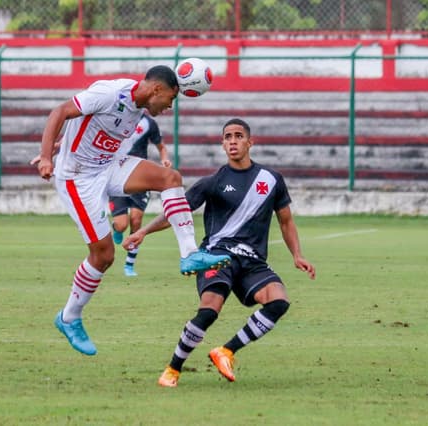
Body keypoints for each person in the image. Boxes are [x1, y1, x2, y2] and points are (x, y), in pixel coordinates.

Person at [35, 65, 231, 356]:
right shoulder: (109, 93)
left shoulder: (140, 106)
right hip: (78, 176)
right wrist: (46, 157)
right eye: (171, 99)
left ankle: (189, 254)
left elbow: (91, 127)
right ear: (157, 90)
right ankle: (69, 317)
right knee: (103, 256)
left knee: (170, 178)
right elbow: (59, 113)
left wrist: (63, 142)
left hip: (107, 166)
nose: (170, 106)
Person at [122, 118, 316, 387]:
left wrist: (297, 255)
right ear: (223, 144)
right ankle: (173, 369)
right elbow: (175, 212)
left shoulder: (271, 180)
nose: (233, 141)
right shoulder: (213, 182)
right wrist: (143, 231)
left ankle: (226, 351)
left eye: (238, 136)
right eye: (228, 137)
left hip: (252, 261)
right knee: (210, 310)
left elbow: (286, 221)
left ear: (250, 142)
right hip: (217, 255)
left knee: (279, 301)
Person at [109, 113, 171, 277]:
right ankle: (116, 228)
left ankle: (129, 265)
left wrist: (164, 159)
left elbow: (161, 146)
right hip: (117, 177)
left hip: (139, 178)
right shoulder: (119, 118)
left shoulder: (149, 123)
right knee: (122, 225)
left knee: (136, 221)